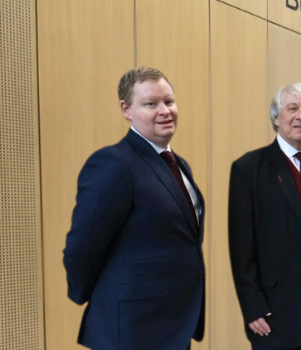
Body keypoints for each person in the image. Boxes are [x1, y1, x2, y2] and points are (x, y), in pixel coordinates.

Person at [63, 66, 206, 350]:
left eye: (169, 101)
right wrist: (99, 296)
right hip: (134, 329)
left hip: (173, 323)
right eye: (151, 104)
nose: (165, 110)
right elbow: (83, 246)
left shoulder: (179, 165)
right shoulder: (114, 163)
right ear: (126, 109)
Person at [228, 83, 301, 350]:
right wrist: (252, 306)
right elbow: (241, 248)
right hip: (273, 310)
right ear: (276, 118)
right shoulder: (248, 169)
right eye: (292, 108)